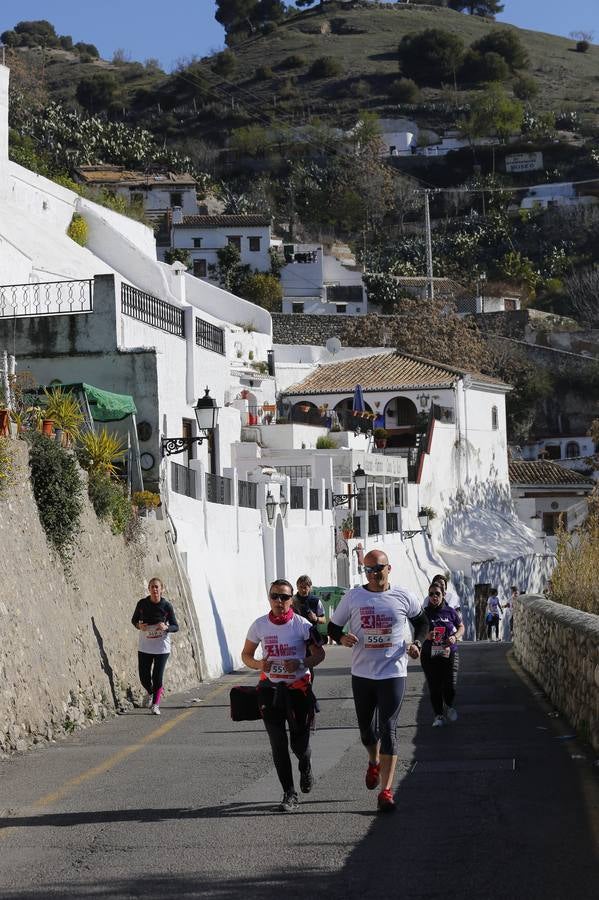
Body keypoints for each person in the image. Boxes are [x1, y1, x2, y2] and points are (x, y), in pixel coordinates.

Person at [328, 549, 429, 813]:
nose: (373, 574)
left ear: (389, 568)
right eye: (368, 570)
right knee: (367, 731)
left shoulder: (403, 596)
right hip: (362, 674)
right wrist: (341, 638)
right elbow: (333, 627)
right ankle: (373, 761)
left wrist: (417, 644)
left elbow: (422, 623)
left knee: (389, 729)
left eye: (378, 569)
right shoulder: (354, 596)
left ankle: (386, 791)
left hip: (393, 672)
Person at [241, 579, 325, 813]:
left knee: (299, 745)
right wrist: (260, 664)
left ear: (291, 599)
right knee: (278, 744)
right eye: (275, 596)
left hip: (298, 690)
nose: (279, 601)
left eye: (284, 597)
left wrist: (301, 662)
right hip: (270, 690)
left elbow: (319, 654)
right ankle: (289, 793)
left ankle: (305, 766)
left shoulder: (302, 625)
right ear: (269, 598)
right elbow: (246, 655)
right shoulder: (259, 625)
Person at [131, 577, 179, 715]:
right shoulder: (142, 604)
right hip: (145, 646)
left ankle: (155, 704)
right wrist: (139, 626)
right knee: (144, 677)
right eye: (152, 587)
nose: (154, 589)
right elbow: (134, 620)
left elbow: (175, 626)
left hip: (161, 647)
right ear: (149, 589)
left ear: (162, 589)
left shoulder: (166, 606)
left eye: (157, 587)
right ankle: (151, 692)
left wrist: (166, 627)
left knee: (157, 677)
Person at [420, 582, 465, 727]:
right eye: (431, 594)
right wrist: (427, 635)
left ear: (443, 595)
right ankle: (438, 716)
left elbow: (461, 627)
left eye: (437, 594)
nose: (434, 597)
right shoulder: (424, 613)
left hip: (448, 653)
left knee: (449, 686)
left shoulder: (450, 611)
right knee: (434, 686)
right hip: (429, 655)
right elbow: (418, 631)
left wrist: (455, 637)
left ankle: (449, 704)